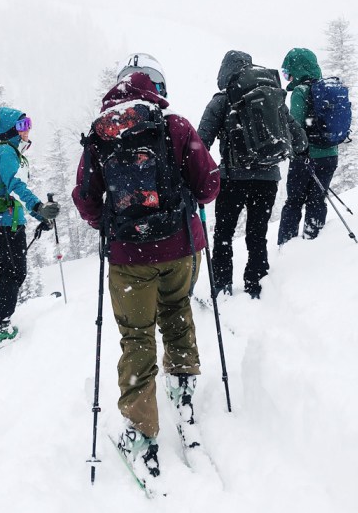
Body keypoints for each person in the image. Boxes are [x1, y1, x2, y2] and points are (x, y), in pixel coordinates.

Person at [72, 53, 220, 481]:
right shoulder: (175, 126)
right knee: (177, 314)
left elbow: (85, 199)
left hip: (128, 259)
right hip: (180, 248)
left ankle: (141, 432)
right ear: (155, 89)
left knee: (136, 335)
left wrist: (114, 226)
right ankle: (184, 388)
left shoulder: (100, 136)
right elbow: (209, 184)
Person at [197, 50, 307, 299]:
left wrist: (206, 173)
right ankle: (255, 285)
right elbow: (300, 141)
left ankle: (222, 287)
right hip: (268, 180)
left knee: (224, 234)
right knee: (257, 234)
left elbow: (200, 143)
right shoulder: (271, 97)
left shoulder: (221, 101)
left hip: (233, 179)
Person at [0, 107, 59, 343]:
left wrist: (38, 217)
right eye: (23, 126)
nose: (28, 130)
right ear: (11, 130)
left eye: (29, 124)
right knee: (14, 271)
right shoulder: (6, 152)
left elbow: (9, 190)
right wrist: (39, 209)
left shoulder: (2, 151)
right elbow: (16, 186)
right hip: (5, 223)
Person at [278, 48, 338, 244]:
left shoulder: (300, 92)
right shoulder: (327, 89)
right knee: (317, 199)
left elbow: (295, 126)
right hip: (330, 155)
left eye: (288, 72)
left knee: (294, 202)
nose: (288, 78)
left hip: (305, 156)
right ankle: (314, 242)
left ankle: (286, 248)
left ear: (298, 68)